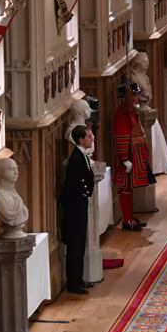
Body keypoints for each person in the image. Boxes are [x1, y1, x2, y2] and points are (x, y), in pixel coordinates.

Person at [112, 80, 154, 231]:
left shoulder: (131, 112)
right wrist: (125, 159)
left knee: (129, 188)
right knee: (125, 188)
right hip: (128, 158)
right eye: (135, 95)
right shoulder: (122, 114)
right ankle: (127, 220)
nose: (138, 97)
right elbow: (121, 137)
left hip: (135, 156)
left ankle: (130, 217)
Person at [60, 123, 96, 295]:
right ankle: (73, 283)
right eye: (89, 137)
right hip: (74, 208)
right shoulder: (75, 159)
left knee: (80, 244)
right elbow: (73, 186)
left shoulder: (81, 155)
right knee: (75, 245)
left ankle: (79, 278)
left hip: (80, 204)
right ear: (81, 140)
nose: (92, 138)